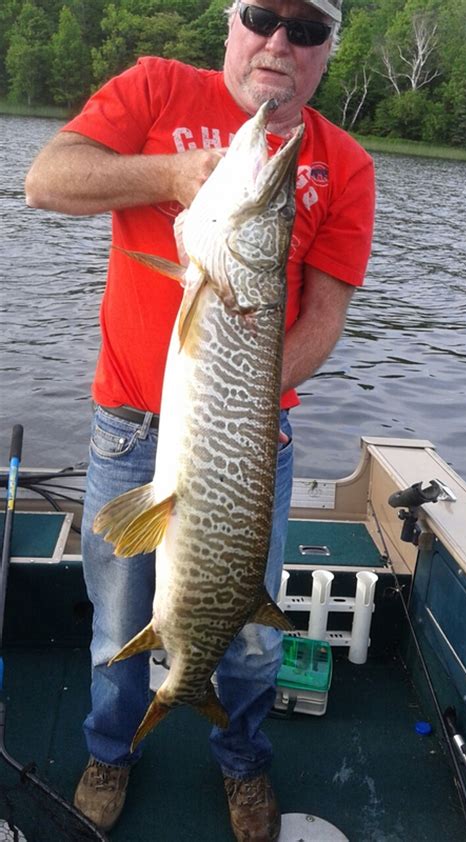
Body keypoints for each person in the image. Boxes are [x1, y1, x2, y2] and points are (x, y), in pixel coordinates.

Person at [25, 0, 375, 839]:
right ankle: (113, 750)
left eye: (307, 30)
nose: (280, 43)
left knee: (249, 632)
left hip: (253, 446)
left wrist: (244, 392)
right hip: (126, 430)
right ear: (232, 24)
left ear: (326, 50)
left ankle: (242, 758)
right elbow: (44, 181)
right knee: (120, 619)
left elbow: (323, 319)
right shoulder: (154, 88)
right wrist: (170, 178)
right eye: (263, 16)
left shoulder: (347, 165)